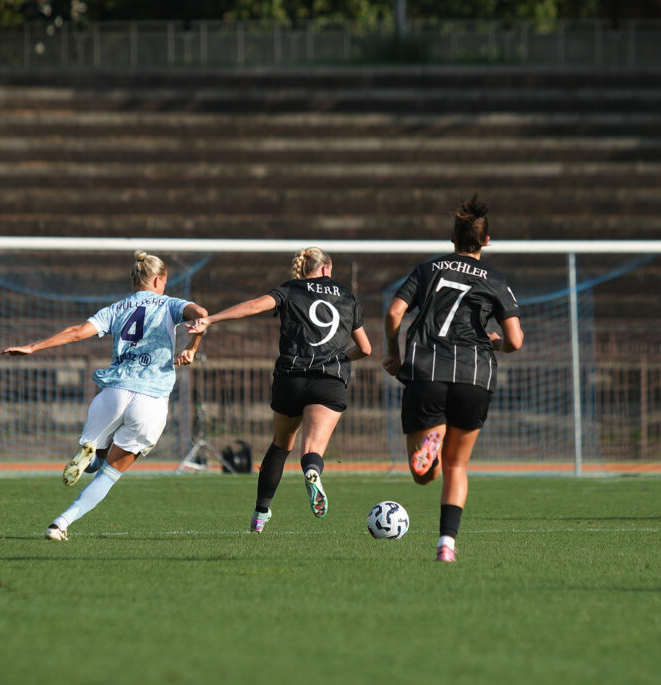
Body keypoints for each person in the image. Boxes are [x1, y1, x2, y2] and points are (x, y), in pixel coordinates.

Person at [2, 250, 207, 540]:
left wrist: (33, 347)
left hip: (112, 394)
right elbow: (202, 314)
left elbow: (76, 332)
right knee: (110, 474)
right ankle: (60, 523)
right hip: (150, 398)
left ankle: (92, 455)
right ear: (160, 280)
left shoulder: (117, 308)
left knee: (98, 455)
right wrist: (192, 346)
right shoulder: (170, 304)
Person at [186, 247, 371, 533]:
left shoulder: (290, 289)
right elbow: (366, 348)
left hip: (291, 379)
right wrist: (342, 357)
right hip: (329, 380)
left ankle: (260, 514)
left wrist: (211, 319)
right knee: (312, 448)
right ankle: (311, 471)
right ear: (326, 269)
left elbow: (252, 306)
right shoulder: (346, 296)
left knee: (281, 445)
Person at [382, 195, 523, 563]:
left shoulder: (427, 270)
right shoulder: (495, 280)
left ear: (451, 237)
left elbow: (395, 312)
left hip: (426, 370)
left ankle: (431, 442)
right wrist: (497, 343)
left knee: (424, 476)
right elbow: (516, 340)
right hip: (475, 375)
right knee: (457, 466)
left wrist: (393, 352)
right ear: (487, 241)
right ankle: (446, 544)